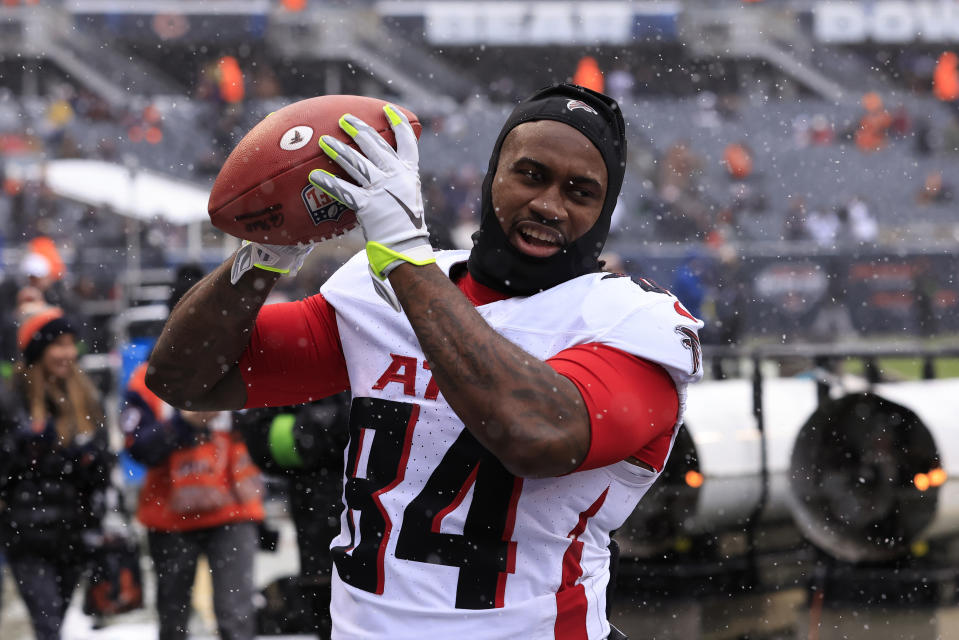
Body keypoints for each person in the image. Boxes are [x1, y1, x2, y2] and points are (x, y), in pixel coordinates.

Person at [146, 83, 703, 639]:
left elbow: (534, 435)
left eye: (580, 192)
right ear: (491, 179)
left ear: (605, 210)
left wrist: (406, 260)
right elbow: (186, 377)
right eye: (530, 175)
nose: (549, 205)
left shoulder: (635, 322)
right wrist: (266, 252)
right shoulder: (381, 289)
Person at [122, 266, 264, 640]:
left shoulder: (243, 366)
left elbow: (263, 434)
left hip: (234, 511)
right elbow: (138, 448)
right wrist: (184, 424)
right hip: (169, 517)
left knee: (236, 620)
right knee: (173, 621)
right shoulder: (145, 378)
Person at [0, 306, 113, 640]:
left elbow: (104, 465)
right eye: (57, 344)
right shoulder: (12, 400)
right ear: (38, 351)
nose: (67, 353)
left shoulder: (87, 396)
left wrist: (90, 460)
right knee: (48, 625)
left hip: (72, 535)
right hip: (27, 536)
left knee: (55, 622)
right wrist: (26, 449)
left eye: (70, 344)